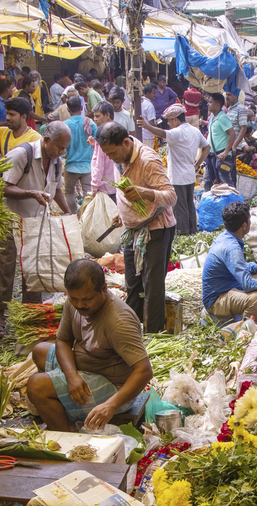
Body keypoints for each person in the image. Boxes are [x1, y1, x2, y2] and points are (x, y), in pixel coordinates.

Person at [25, 259, 153, 432]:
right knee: (39, 351)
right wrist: (72, 377)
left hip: (114, 387)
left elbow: (144, 371)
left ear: (104, 289)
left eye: (87, 299)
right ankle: (59, 410)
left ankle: (68, 436)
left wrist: (111, 405)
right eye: (74, 298)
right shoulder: (75, 303)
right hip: (86, 367)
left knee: (36, 385)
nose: (79, 305)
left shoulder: (119, 321)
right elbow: (63, 340)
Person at [0, 122, 73, 339]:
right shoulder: (21, 155)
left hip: (35, 223)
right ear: (46, 141)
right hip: (9, 220)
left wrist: (68, 212)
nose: (62, 152)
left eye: (65, 148)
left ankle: (30, 314)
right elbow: (4, 187)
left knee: (35, 268)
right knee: (4, 268)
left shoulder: (56, 162)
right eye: (60, 147)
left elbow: (55, 190)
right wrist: (30, 193)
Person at [96, 121, 176, 333]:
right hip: (133, 231)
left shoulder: (148, 160)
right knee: (132, 285)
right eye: (106, 154)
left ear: (125, 142)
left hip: (156, 229)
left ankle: (153, 335)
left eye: (112, 153)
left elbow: (171, 196)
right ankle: (131, 332)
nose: (110, 158)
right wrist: (121, 214)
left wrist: (144, 193)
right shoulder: (121, 157)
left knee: (152, 287)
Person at [138, 104, 208, 237]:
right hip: (189, 175)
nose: (169, 124)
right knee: (189, 204)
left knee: (180, 206)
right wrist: (197, 164)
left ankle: (183, 233)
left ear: (175, 119)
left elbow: (162, 133)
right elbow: (206, 147)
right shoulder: (195, 131)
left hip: (177, 177)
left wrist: (147, 126)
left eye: (169, 121)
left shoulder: (177, 132)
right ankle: (192, 230)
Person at [61, 96, 96, 212]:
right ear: (82, 108)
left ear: (68, 109)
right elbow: (98, 141)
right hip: (87, 166)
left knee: (69, 192)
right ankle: (86, 215)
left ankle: (74, 214)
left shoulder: (64, 125)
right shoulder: (90, 123)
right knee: (88, 194)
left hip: (71, 166)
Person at [204, 92, 235, 190]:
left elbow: (232, 134)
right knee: (208, 180)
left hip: (222, 157)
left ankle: (233, 202)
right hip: (212, 156)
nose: (208, 104)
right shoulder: (212, 117)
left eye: (210, 102)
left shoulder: (223, 118)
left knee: (226, 182)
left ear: (217, 105)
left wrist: (226, 152)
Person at [89, 101, 118, 197]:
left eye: (98, 116)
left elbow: (99, 164)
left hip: (106, 188)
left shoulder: (103, 135)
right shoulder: (117, 130)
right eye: (94, 116)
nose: (95, 119)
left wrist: (94, 186)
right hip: (116, 185)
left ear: (107, 115)